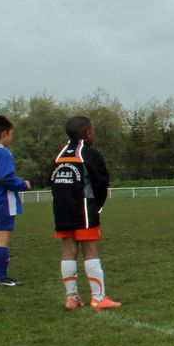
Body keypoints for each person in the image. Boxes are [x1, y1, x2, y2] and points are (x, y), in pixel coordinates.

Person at [51, 116, 121, 310]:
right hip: (84, 210)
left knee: (68, 251)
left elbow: (53, 182)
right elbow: (101, 183)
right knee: (90, 250)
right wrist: (96, 207)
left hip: (62, 211)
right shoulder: (89, 154)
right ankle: (98, 298)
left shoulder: (59, 154)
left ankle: (71, 298)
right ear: (88, 132)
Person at [0, 115, 31, 287]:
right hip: (2, 202)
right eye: (11, 133)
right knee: (2, 240)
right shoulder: (3, 153)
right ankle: (1, 277)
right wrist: (23, 184)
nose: (11, 137)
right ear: (3, 134)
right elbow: (5, 177)